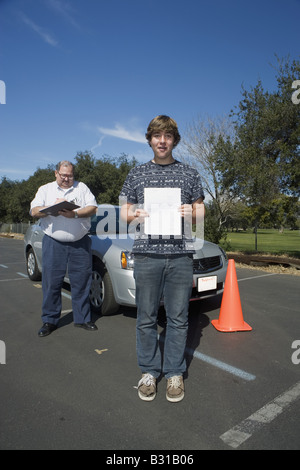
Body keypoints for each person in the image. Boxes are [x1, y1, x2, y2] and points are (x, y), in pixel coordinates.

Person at [119, 115, 205, 402]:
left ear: (174, 141)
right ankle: (148, 371)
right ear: (150, 139)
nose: (162, 141)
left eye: (168, 136)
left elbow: (201, 211)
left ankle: (174, 373)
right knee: (145, 317)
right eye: (157, 136)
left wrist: (190, 213)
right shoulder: (136, 173)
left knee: (178, 318)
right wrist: (135, 214)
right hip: (146, 255)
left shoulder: (190, 173)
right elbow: (123, 213)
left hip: (180, 255)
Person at [30, 160, 98, 337]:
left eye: (70, 176)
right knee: (52, 282)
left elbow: (92, 208)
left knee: (82, 282)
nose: (66, 179)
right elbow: (34, 211)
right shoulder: (45, 189)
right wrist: (52, 209)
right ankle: (49, 320)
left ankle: (83, 318)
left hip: (80, 242)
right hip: (54, 242)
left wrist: (74, 213)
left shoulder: (82, 188)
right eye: (63, 175)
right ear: (56, 173)